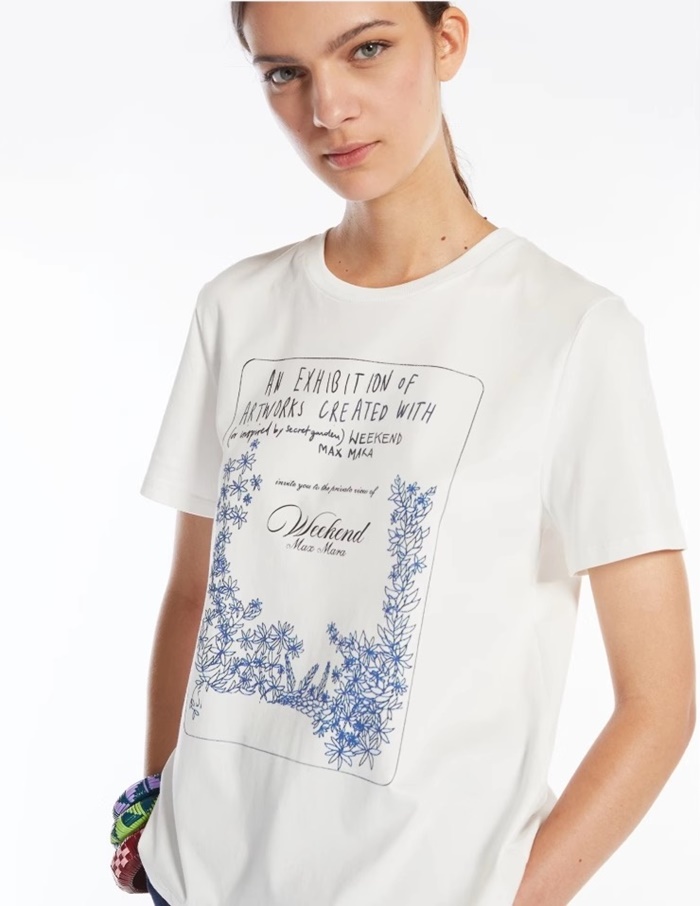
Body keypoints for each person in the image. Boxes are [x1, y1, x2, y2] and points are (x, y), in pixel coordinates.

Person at [126, 3, 696, 905]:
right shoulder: (237, 308)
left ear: (447, 41)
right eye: (285, 73)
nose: (329, 109)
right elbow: (197, 595)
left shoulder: (571, 332)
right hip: (196, 880)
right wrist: (152, 805)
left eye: (367, 49)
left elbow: (659, 704)